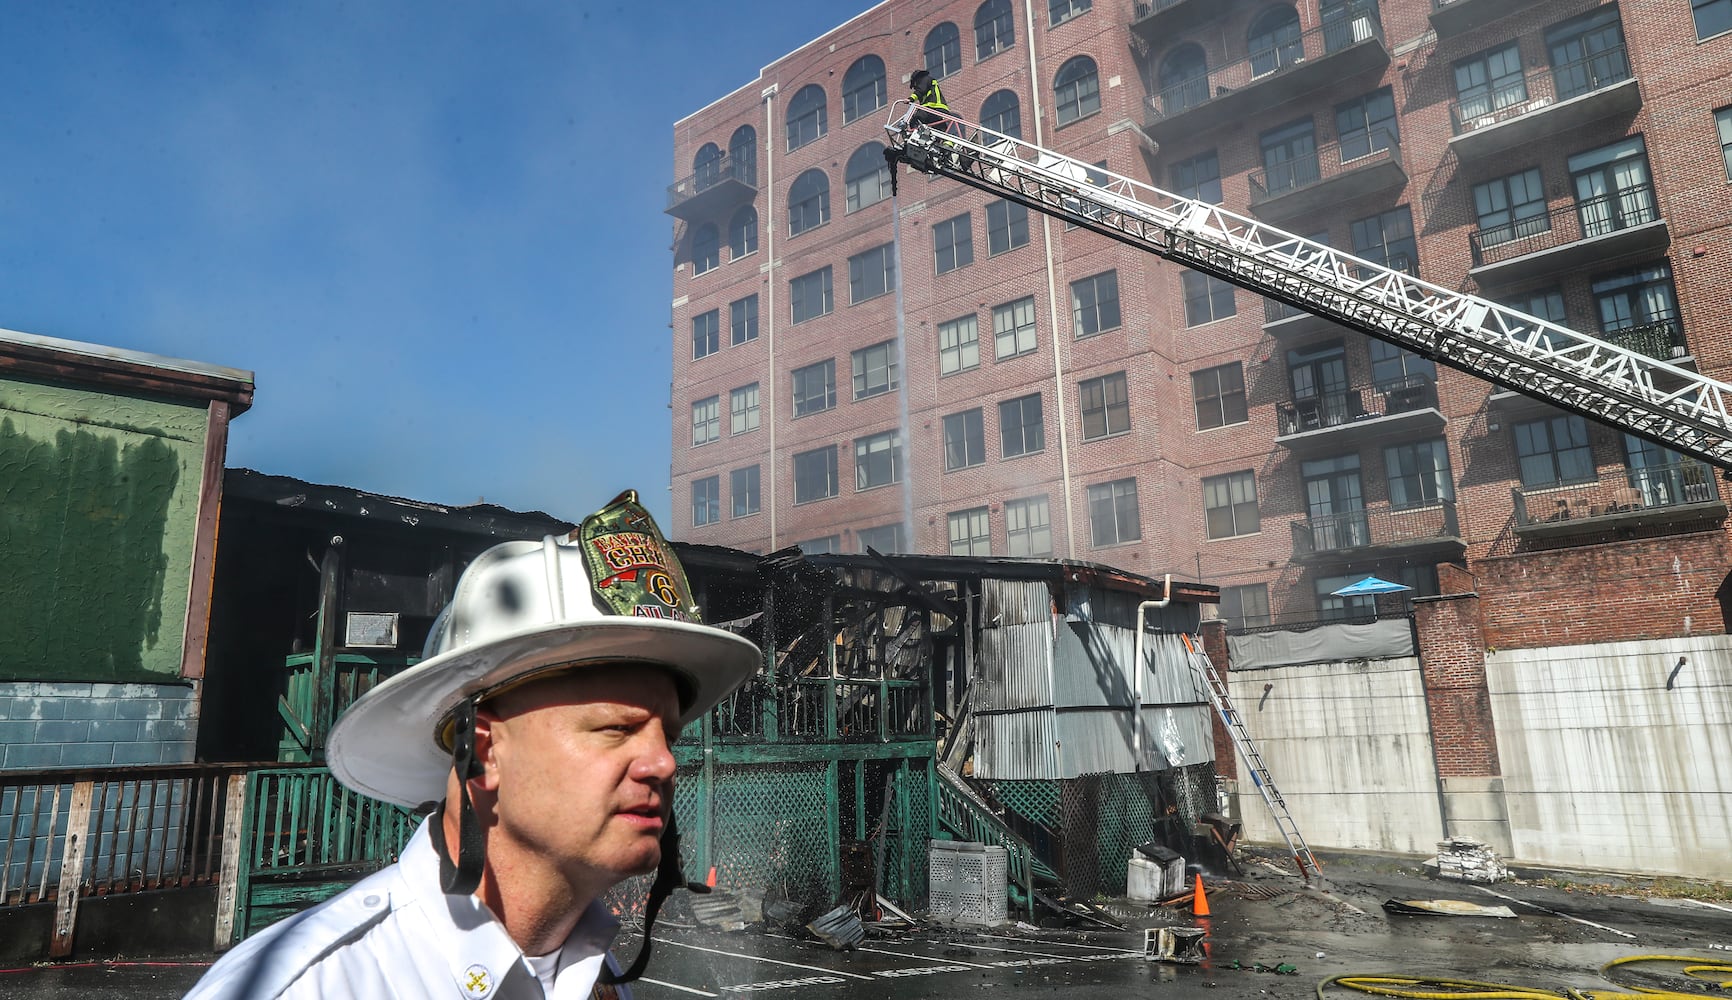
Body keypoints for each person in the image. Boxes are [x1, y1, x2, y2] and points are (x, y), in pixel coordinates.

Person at [186, 490, 762, 1000]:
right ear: (483, 748)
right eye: (615, 728)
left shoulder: (593, 975)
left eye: (669, 733)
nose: (664, 762)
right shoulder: (317, 986)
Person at [888, 68, 953, 136]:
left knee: (915, 120)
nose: (915, 87)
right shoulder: (930, 81)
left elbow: (921, 90)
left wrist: (910, 99)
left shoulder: (925, 79)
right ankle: (946, 143)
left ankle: (917, 136)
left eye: (914, 85)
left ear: (916, 79)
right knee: (940, 130)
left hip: (932, 108)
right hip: (940, 110)